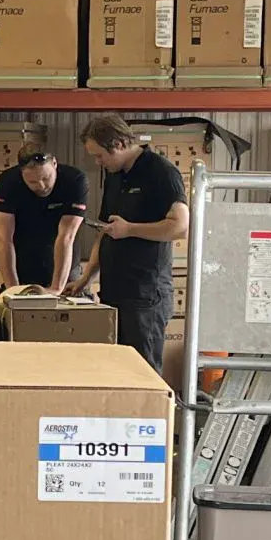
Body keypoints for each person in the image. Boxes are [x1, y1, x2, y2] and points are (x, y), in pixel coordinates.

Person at [68, 114, 188, 366]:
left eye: (100, 155)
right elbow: (106, 230)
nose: (98, 162)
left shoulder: (161, 172)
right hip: (114, 292)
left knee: (142, 371)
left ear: (119, 144)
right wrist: (86, 278)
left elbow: (180, 226)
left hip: (144, 296)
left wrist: (130, 229)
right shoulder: (115, 175)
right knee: (118, 369)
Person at [0, 144, 87, 294]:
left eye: (46, 178)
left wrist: (56, 288)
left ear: (54, 164)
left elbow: (66, 236)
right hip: (23, 265)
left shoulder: (74, 180)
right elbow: (3, 239)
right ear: (21, 173)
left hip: (65, 268)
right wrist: (12, 290)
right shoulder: (8, 182)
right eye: (33, 182)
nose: (42, 186)